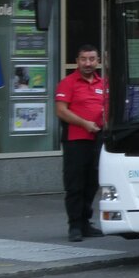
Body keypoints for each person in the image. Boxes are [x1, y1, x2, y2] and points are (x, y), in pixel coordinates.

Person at [54, 45, 107, 242]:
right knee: (75, 185)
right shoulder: (68, 82)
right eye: (84, 59)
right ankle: (74, 226)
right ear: (77, 61)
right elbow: (61, 111)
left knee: (91, 184)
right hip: (76, 141)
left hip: (98, 139)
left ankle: (86, 223)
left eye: (92, 59)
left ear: (98, 60)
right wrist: (85, 124)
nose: (87, 63)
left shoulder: (103, 83)